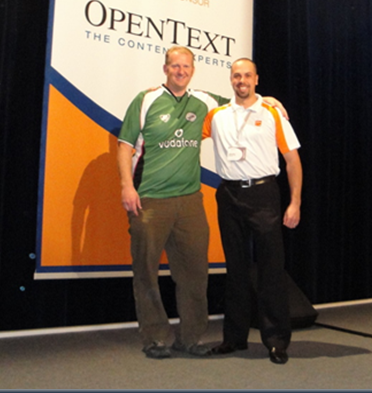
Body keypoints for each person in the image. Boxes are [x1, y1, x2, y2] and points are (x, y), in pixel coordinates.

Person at [117, 46, 286, 359]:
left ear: (193, 70)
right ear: (165, 68)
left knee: (195, 273)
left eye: (186, 66)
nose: (181, 71)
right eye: (175, 66)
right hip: (150, 200)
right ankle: (156, 338)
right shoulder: (145, 100)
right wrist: (128, 186)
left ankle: (190, 338)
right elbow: (125, 145)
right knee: (146, 272)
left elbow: (243, 101)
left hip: (190, 201)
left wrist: (269, 100)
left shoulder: (205, 102)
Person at [202, 58, 302, 365]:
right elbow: (189, 123)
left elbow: (292, 161)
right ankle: (234, 338)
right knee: (235, 269)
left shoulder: (272, 112)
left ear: (256, 79)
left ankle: (276, 340)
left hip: (263, 194)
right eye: (236, 75)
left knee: (271, 269)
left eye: (247, 75)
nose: (241, 80)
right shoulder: (216, 115)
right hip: (229, 194)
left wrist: (295, 202)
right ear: (231, 79)